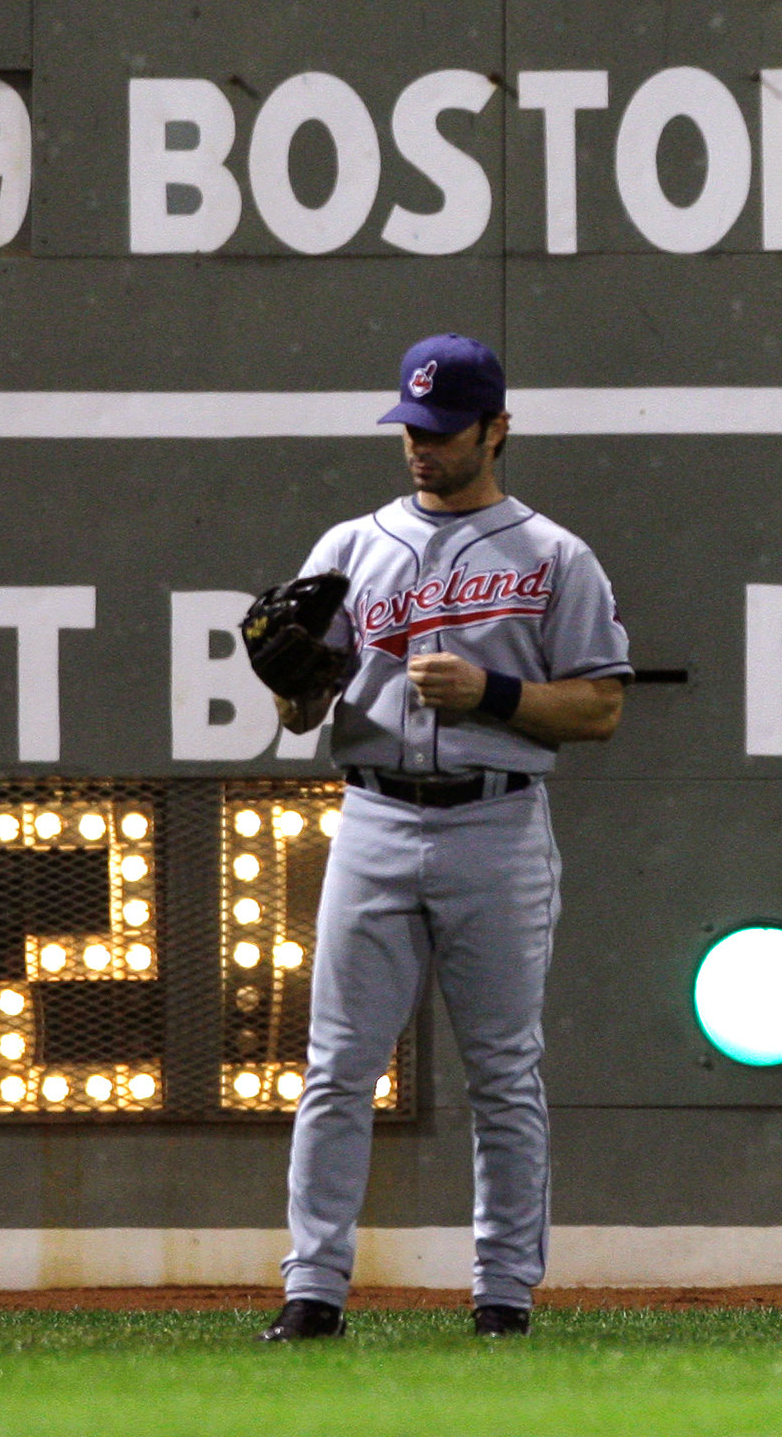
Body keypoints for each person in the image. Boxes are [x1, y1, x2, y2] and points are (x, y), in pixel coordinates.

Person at [257, 335, 631, 1343]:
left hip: (498, 823)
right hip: (373, 814)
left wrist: (493, 693)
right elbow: (301, 717)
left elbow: (598, 708)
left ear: (497, 429)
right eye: (412, 429)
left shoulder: (555, 556)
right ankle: (313, 1291)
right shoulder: (349, 545)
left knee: (503, 1070)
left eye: (444, 430)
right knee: (337, 1065)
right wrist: (297, 683)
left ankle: (504, 1294)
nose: (422, 447)